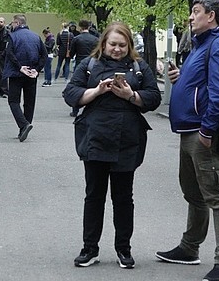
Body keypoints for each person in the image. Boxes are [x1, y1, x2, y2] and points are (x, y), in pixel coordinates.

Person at [63, 21, 161, 270]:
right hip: (95, 137)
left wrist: (129, 95)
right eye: (112, 44)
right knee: (94, 196)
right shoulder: (89, 65)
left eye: (122, 45)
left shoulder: (139, 67)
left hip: (127, 140)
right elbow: (71, 94)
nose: (117, 49)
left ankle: (123, 249)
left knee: (123, 198)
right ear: (103, 43)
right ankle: (90, 248)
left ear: (129, 46)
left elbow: (153, 97)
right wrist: (96, 91)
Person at [156, 0, 219, 281]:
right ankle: (189, 249)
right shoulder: (201, 45)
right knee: (194, 194)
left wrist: (207, 130)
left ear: (212, 16)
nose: (191, 17)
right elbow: (203, 84)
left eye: (196, 12)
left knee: (217, 196)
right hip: (188, 130)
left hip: (203, 134)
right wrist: (182, 77)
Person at [2, 14, 47, 142]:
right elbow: (44, 55)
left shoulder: (13, 36)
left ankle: (24, 125)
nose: (11, 25)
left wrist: (19, 67)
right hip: (32, 74)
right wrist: (37, 70)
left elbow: (9, 53)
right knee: (29, 102)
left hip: (17, 74)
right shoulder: (36, 37)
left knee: (13, 101)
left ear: (17, 23)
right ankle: (25, 126)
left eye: (12, 23)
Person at [68, 20, 99, 116]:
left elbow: (71, 53)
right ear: (89, 27)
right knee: (93, 85)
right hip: (92, 64)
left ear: (80, 27)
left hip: (80, 63)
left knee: (78, 86)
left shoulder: (77, 39)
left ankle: (75, 110)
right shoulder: (95, 39)